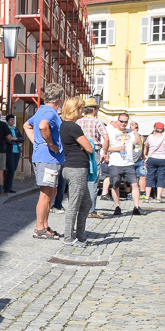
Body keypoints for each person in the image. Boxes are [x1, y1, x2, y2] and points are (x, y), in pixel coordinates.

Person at [23, 83, 65, 239]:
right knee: (46, 193)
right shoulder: (50, 112)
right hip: (48, 158)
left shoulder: (41, 110)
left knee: (51, 192)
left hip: (46, 157)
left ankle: (45, 226)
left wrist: (36, 142)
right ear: (60, 99)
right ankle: (39, 228)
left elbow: (26, 125)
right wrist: (50, 144)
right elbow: (42, 125)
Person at [59, 97, 94, 246]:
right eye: (81, 109)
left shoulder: (65, 126)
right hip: (76, 168)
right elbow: (89, 148)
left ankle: (80, 237)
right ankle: (69, 238)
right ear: (75, 110)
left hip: (73, 167)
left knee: (86, 203)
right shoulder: (73, 127)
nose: (83, 112)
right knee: (74, 204)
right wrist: (84, 145)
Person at [105, 112, 142, 216]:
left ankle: (136, 207)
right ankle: (117, 206)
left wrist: (135, 130)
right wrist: (117, 149)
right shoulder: (110, 131)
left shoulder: (130, 132)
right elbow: (106, 148)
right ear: (117, 121)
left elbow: (138, 142)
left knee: (134, 184)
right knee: (115, 185)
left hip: (129, 163)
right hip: (115, 162)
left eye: (125, 122)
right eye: (121, 121)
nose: (123, 124)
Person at [77, 100, 109, 218]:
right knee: (93, 181)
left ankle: (79, 208)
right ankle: (91, 210)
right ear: (94, 110)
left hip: (79, 152)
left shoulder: (78, 122)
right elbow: (106, 138)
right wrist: (104, 152)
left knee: (80, 180)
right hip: (93, 152)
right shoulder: (97, 122)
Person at [143, 122, 165, 202]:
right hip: (163, 159)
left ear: (154, 128)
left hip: (152, 158)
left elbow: (146, 146)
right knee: (161, 178)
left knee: (150, 177)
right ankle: (159, 198)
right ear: (163, 129)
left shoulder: (150, 137)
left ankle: (147, 197)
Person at [4, 114, 23, 193]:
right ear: (8, 121)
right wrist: (13, 140)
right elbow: (8, 140)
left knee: (13, 169)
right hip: (9, 151)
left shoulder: (16, 129)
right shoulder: (6, 129)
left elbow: (22, 138)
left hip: (17, 151)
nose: (13, 121)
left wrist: (16, 139)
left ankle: (8, 185)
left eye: (13, 120)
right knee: (10, 169)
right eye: (11, 120)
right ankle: (7, 187)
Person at [130, 121, 147, 201]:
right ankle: (129, 193)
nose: (134, 129)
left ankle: (143, 192)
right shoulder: (128, 137)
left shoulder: (141, 137)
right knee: (130, 178)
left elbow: (143, 148)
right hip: (130, 160)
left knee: (143, 176)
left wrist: (143, 158)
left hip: (139, 161)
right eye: (133, 127)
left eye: (136, 128)